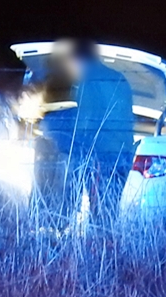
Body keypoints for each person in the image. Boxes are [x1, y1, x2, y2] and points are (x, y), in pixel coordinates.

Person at [36, 38, 134, 223]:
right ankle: (107, 241)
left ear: (78, 60)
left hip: (100, 155)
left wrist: (59, 133)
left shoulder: (89, 80)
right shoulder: (118, 77)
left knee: (99, 212)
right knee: (109, 208)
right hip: (122, 153)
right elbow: (127, 118)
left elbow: (85, 119)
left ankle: (74, 230)